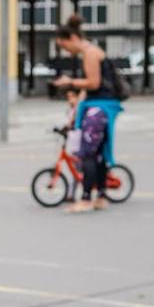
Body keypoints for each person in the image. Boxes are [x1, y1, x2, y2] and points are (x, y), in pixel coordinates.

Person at [52, 15, 121, 214]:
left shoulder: (90, 53)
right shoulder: (91, 52)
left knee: (87, 153)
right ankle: (100, 196)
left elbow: (93, 84)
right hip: (102, 106)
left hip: (100, 107)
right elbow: (89, 89)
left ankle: (85, 199)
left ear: (72, 37)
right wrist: (76, 109)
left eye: (64, 45)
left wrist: (70, 82)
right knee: (97, 154)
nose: (65, 50)